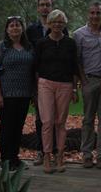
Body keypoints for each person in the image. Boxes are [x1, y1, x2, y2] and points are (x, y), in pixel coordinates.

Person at [35, 9, 79, 174]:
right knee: (47, 122)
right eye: (54, 21)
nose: (57, 25)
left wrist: (75, 88)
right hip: (45, 84)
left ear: (64, 24)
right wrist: (36, 89)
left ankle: (59, 156)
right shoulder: (41, 43)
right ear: (49, 23)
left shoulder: (70, 43)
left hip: (65, 85)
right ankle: (47, 155)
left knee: (60, 122)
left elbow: (74, 67)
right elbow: (36, 68)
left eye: (60, 22)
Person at [26, 0, 68, 165]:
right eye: (42, 5)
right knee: (42, 119)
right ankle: (42, 152)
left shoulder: (61, 29)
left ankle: (57, 152)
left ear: (52, 7)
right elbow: (31, 58)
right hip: (40, 81)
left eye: (48, 5)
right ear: (38, 8)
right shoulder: (31, 30)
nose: (45, 8)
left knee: (57, 119)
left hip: (59, 81)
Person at [0, 16, 34, 171]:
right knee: (7, 128)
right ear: (7, 30)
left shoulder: (29, 47)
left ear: (22, 28)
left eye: (18, 25)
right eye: (11, 26)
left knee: (18, 127)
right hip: (6, 95)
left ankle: (15, 158)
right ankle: (5, 160)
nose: (15, 28)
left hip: (24, 94)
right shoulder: (1, 47)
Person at [74, 1, 101, 169]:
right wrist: (82, 80)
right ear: (88, 14)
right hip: (88, 80)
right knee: (88, 119)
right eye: (92, 13)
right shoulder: (79, 34)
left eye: (98, 12)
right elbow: (76, 60)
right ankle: (87, 154)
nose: (95, 16)